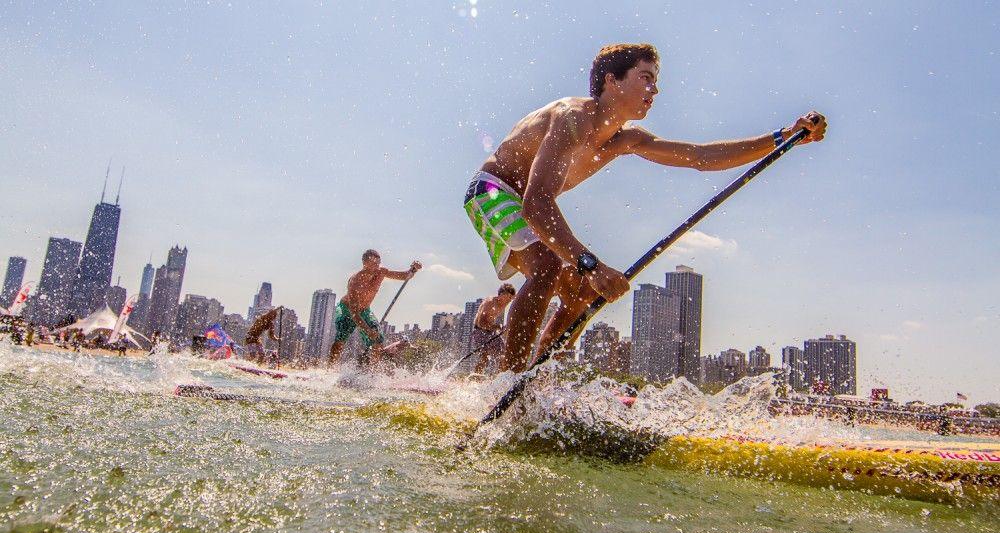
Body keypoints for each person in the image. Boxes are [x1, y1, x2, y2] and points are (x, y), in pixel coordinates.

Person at [463, 43, 827, 372]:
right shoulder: (571, 117)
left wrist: (784, 137)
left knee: (581, 295)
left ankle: (537, 378)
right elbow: (536, 204)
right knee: (547, 266)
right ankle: (508, 384)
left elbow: (701, 157)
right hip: (491, 191)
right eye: (646, 78)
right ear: (612, 80)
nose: (655, 90)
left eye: (656, 81)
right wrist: (590, 263)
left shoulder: (626, 139)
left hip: (522, 204)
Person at [327, 250, 421, 365]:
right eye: (372, 263)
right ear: (364, 263)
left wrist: (413, 269)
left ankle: (372, 370)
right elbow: (354, 314)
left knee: (377, 340)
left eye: (378, 263)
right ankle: (330, 369)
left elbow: (405, 276)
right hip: (347, 310)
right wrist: (367, 331)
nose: (375, 266)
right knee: (341, 339)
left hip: (365, 310)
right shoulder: (355, 281)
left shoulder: (381, 272)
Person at [471, 284, 517, 375]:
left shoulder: (503, 303)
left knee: (504, 354)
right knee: (485, 356)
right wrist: (498, 327)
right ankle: (475, 377)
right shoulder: (490, 302)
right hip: (479, 331)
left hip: (490, 331)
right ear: (501, 295)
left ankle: (496, 378)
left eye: (510, 299)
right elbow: (481, 323)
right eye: (507, 298)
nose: (508, 301)